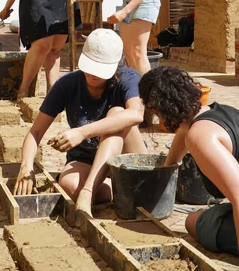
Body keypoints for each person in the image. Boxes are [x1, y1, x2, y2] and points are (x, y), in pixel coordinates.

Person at [14, 28, 146, 218]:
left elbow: (136, 115)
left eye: (101, 70)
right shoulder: (67, 85)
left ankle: (89, 193)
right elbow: (35, 133)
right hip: (87, 160)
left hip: (127, 156)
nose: (93, 75)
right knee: (68, 185)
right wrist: (26, 166)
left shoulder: (128, 78)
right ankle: (119, 188)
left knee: (117, 114)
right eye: (91, 67)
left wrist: (82, 132)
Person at [139, 66, 239, 256]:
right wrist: (166, 171)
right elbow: (183, 134)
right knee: (197, 218)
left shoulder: (200, 136)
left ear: (157, 109)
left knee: (193, 223)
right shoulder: (219, 113)